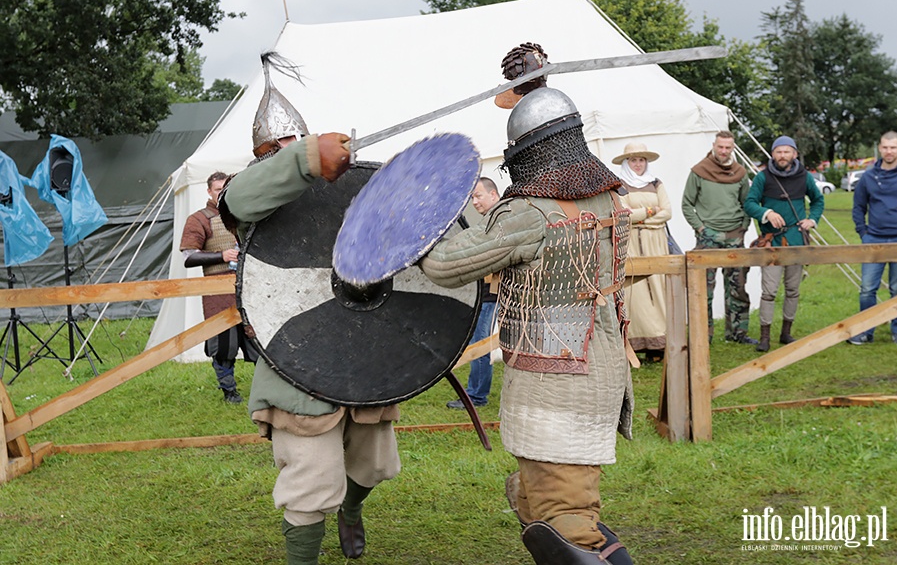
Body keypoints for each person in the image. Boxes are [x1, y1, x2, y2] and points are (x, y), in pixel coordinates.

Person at [421, 42, 634, 565]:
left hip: (556, 379)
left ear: (526, 152)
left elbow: (443, 266)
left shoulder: (528, 213)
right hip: (602, 364)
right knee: (552, 499)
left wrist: (421, 222)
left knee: (563, 520)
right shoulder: (609, 197)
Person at [218, 53, 401, 565]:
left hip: (361, 346)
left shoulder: (343, 189)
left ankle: (352, 509)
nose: (287, 152)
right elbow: (236, 201)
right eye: (278, 148)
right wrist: (301, 159)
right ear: (264, 152)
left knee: (374, 464)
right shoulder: (249, 197)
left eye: (294, 145)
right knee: (311, 481)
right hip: (296, 357)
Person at [180, 171, 258, 403]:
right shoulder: (199, 219)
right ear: (209, 192)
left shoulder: (245, 214)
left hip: (250, 291)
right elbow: (189, 257)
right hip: (218, 294)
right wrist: (221, 256)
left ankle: (266, 392)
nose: (222, 192)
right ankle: (229, 392)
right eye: (217, 189)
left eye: (226, 188)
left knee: (258, 342)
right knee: (224, 346)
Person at [744, 135, 824, 352]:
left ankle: (786, 332)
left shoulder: (804, 177)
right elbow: (749, 203)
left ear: (794, 154)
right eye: (778, 151)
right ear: (773, 154)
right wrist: (766, 213)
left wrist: (812, 219)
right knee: (769, 291)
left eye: (786, 151)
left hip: (796, 240)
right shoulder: (763, 178)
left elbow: (818, 199)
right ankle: (765, 337)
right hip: (772, 242)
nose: (782, 155)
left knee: (793, 290)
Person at [681, 130, 757, 345]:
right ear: (714, 146)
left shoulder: (740, 174)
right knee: (704, 289)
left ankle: (737, 333)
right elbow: (687, 204)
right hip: (709, 238)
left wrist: (743, 227)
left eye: (728, 147)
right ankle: (703, 335)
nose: (723, 151)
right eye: (720, 147)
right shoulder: (699, 171)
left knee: (738, 287)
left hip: (735, 237)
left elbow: (746, 204)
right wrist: (701, 229)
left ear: (733, 148)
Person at [447, 176, 502, 409]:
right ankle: (476, 392)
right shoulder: (491, 220)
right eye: (472, 197)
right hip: (486, 292)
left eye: (478, 196)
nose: (475, 202)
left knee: (481, 343)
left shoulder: (500, 219)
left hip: (493, 292)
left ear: (493, 194)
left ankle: (477, 396)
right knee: (477, 340)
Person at [613, 142, 671, 361]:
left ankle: (661, 344)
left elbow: (667, 212)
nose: (637, 164)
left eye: (641, 160)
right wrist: (649, 211)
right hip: (633, 246)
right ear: (627, 162)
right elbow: (624, 214)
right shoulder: (620, 185)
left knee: (659, 289)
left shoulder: (656, 183)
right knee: (636, 293)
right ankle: (637, 343)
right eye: (633, 160)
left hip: (656, 243)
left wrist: (645, 221)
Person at [848, 131, 897, 345]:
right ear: (879, 148)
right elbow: (858, 207)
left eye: (893, 147)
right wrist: (864, 233)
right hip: (874, 240)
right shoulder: (868, 177)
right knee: (868, 288)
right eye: (885, 147)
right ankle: (865, 331)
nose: (889, 151)